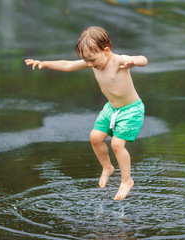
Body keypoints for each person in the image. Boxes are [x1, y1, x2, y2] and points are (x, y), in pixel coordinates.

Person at [25, 26, 148, 200]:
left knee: (117, 144)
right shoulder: (94, 60)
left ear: (106, 51)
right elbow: (67, 64)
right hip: (111, 108)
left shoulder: (119, 60)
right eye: (86, 61)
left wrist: (134, 62)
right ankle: (107, 167)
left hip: (131, 110)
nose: (89, 65)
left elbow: (142, 59)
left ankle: (126, 180)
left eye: (92, 61)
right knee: (95, 137)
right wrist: (45, 63)